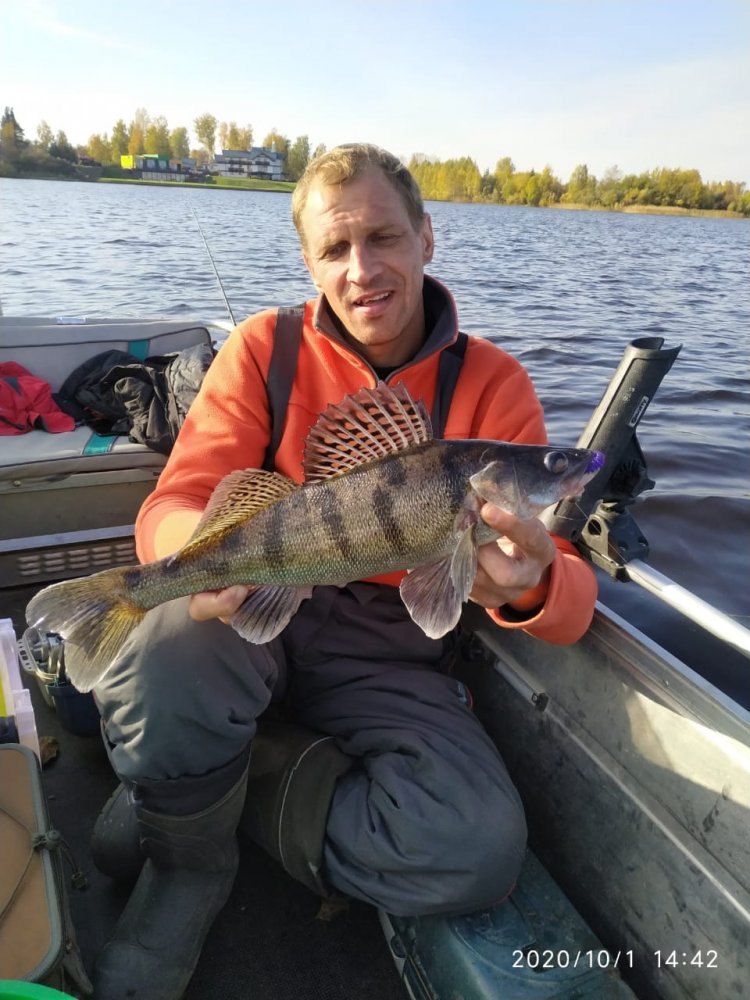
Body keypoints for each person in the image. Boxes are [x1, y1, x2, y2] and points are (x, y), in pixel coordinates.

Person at [89, 143, 598, 999]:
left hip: (386, 652)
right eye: (336, 247)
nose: (362, 269)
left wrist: (534, 585)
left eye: (384, 237)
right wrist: (199, 562)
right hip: (259, 609)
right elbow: (178, 500)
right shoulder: (263, 348)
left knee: (475, 849)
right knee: (162, 647)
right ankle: (187, 866)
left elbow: (571, 595)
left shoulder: (494, 384)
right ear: (309, 262)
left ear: (426, 238)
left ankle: (223, 785)